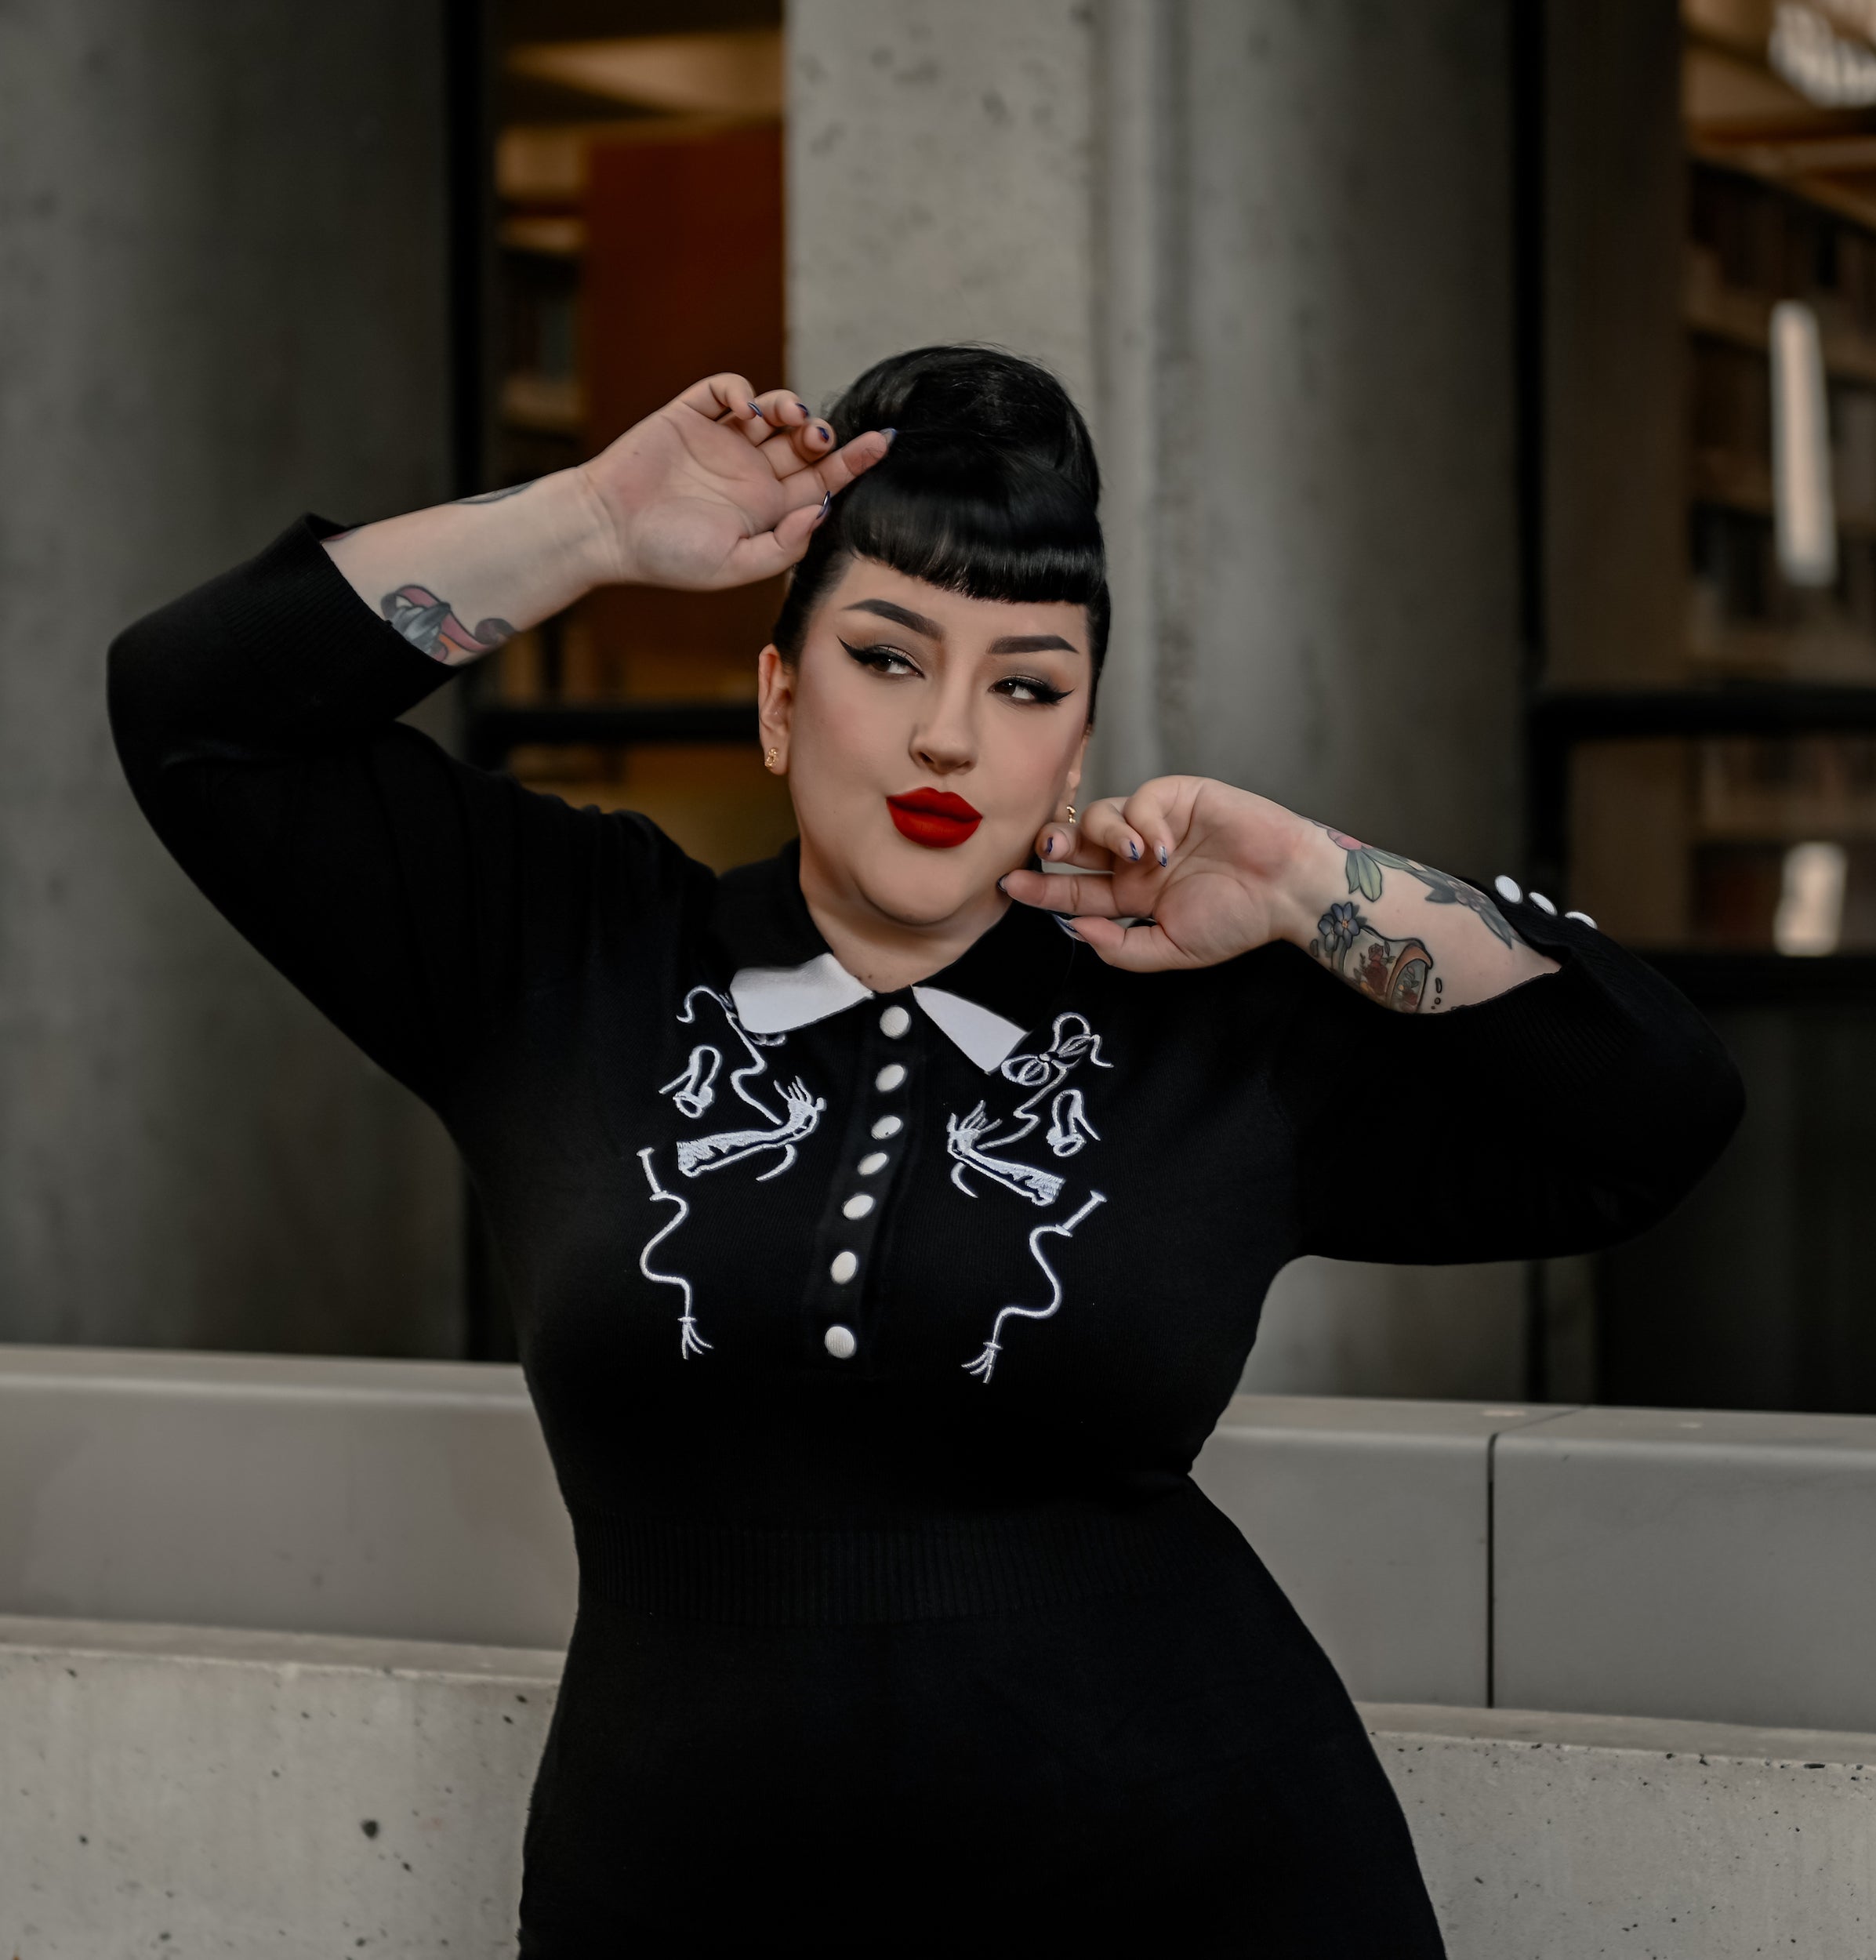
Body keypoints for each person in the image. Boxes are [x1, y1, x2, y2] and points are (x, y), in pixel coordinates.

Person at [108, 345, 1743, 1955]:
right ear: (778, 697)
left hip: (1202, 1887)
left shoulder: (1210, 1027)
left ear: (1074, 750)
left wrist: (1307, 881)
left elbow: (1654, 1112)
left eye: (1024, 685)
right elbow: (194, 714)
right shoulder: (563, 955)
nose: (949, 735)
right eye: (887, 658)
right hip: (672, 1904)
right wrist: (592, 521)